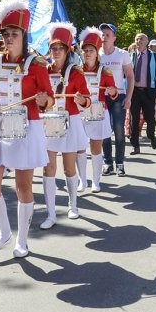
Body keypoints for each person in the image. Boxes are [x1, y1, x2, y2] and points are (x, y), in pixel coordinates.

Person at [0, 0, 54, 258]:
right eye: (5, 33)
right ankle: (4, 231)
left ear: (24, 35)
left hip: (26, 127)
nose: (9, 38)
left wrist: (44, 100)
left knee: (23, 187)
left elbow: (48, 98)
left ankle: (22, 239)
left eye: (14, 33)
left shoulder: (37, 65)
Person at [40, 23, 91, 229]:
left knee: (69, 168)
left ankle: (73, 205)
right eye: (53, 48)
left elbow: (87, 100)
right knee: (48, 168)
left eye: (60, 48)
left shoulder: (76, 72)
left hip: (70, 122)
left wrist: (81, 100)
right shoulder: (44, 71)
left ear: (67, 50)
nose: (56, 52)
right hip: (49, 122)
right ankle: (50, 213)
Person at [78, 27, 117, 194]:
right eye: (85, 51)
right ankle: (82, 181)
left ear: (96, 52)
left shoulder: (105, 71)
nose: (87, 54)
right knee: (79, 147)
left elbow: (114, 92)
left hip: (99, 112)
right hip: (79, 113)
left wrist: (112, 91)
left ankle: (96, 181)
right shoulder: (76, 71)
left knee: (95, 147)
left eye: (91, 51)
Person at [99, 23, 134, 176]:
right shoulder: (96, 54)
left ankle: (120, 162)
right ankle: (108, 163)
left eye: (107, 34)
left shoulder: (122, 54)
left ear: (114, 37)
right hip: (101, 97)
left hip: (119, 96)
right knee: (105, 131)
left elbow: (131, 77)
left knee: (119, 130)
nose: (104, 37)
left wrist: (128, 97)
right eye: (103, 34)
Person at [129, 33, 156, 154]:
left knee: (149, 118)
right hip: (134, 92)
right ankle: (135, 146)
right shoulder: (131, 56)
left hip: (148, 92)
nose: (138, 41)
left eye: (141, 39)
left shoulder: (154, 57)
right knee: (133, 119)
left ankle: (151, 136)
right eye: (137, 39)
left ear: (146, 42)